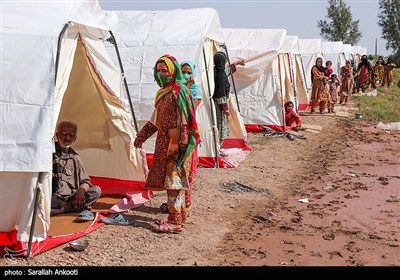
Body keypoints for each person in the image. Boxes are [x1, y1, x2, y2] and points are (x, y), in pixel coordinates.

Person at [133, 54, 200, 234]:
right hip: (166, 142)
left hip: (177, 143)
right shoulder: (163, 94)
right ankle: (180, 216)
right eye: (159, 70)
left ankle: (174, 221)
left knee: (173, 182)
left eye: (165, 71)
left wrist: (181, 147)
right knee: (174, 182)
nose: (161, 74)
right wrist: (141, 137)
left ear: (173, 72)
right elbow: (155, 120)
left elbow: (186, 121)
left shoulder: (179, 92)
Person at [51, 121, 102, 217]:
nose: (67, 138)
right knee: (41, 198)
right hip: (53, 197)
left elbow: (86, 181)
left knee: (96, 191)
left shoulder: (76, 158)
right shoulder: (49, 153)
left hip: (71, 198)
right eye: (64, 134)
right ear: (57, 135)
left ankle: (63, 209)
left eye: (71, 135)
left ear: (75, 139)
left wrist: (81, 191)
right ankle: (72, 208)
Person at [213, 51, 245, 149]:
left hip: (218, 104)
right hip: (220, 106)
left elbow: (228, 70)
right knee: (220, 126)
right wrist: (225, 108)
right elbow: (220, 92)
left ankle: (217, 148)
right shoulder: (220, 75)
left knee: (220, 126)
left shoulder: (216, 71)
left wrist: (237, 63)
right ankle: (217, 149)